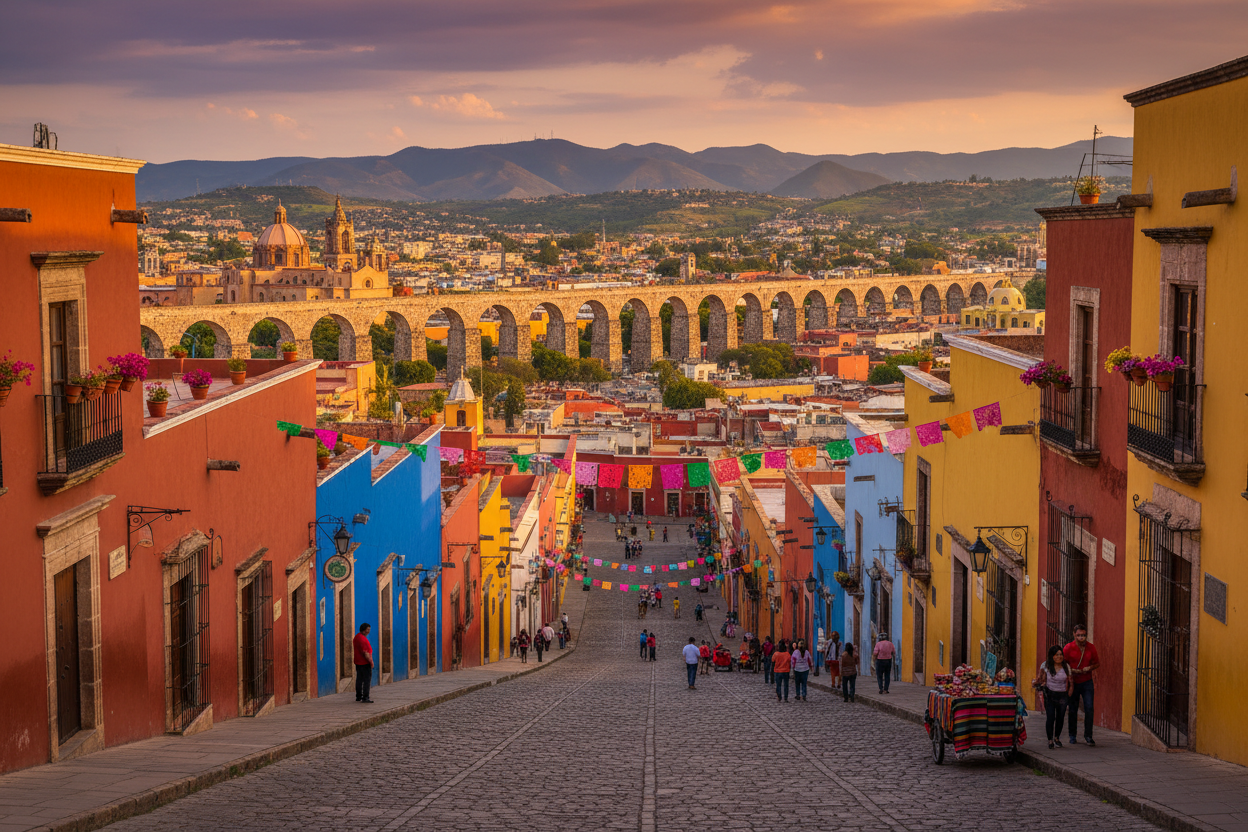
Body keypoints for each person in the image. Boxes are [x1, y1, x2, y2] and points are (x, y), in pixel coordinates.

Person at [1064, 624, 1100, 746]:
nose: (1081, 637)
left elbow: (1097, 663)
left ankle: (1088, 736)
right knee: (1072, 709)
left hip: (1087, 681)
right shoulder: (1068, 648)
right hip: (1073, 682)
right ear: (1074, 634)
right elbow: (1063, 663)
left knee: (1089, 708)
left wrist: (1089, 668)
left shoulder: (1091, 647)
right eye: (1079, 635)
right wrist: (1071, 670)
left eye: (1083, 635)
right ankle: (1072, 735)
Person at [1034, 644, 1072, 749]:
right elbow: (1040, 678)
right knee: (1050, 717)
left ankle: (1057, 737)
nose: (1059, 657)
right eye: (1056, 655)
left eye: (1060, 654)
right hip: (1049, 694)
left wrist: (1069, 695)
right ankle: (1050, 739)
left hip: (1062, 695)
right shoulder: (1045, 665)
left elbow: (1071, 682)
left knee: (1060, 717)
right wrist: (1037, 683)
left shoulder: (1066, 666)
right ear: (1052, 656)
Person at [353, 623, 374, 703]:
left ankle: (358, 696)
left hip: (358, 662)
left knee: (359, 679)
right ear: (364, 630)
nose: (369, 631)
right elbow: (366, 653)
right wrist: (371, 662)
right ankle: (365, 697)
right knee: (366, 681)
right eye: (368, 629)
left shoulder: (357, 637)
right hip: (364, 663)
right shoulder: (362, 639)